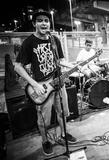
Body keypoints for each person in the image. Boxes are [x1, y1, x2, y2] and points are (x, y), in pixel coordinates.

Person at [14, 9, 77, 156]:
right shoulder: (29, 42)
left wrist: (75, 66)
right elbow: (17, 66)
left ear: (49, 23)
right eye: (40, 21)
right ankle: (45, 141)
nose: (44, 23)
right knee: (44, 120)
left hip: (58, 82)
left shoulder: (55, 40)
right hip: (41, 87)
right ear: (35, 24)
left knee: (63, 112)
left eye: (46, 21)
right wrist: (34, 84)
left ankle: (63, 134)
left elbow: (61, 61)